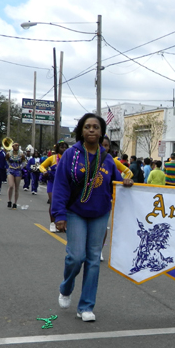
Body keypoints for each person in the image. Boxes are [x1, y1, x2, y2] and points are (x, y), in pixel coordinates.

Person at [52, 113, 133, 322]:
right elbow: (61, 185)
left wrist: (125, 182)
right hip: (75, 212)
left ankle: (86, 306)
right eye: (87, 126)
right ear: (81, 130)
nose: (91, 130)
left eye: (95, 127)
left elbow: (115, 184)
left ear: (101, 132)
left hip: (100, 214)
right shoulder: (71, 155)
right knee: (76, 257)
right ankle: (66, 287)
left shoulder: (107, 159)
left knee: (94, 260)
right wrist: (59, 215)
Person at [39, 141, 69, 232]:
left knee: (66, 204)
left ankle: (64, 223)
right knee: (53, 202)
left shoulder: (70, 158)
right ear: (57, 148)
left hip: (65, 184)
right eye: (61, 147)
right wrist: (44, 171)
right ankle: (52, 223)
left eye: (65, 148)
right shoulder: (52, 158)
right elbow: (41, 166)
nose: (63, 149)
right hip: (53, 183)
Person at [5, 142, 26, 209]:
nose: (17, 146)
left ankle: (15, 202)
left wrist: (20, 167)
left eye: (18, 145)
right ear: (13, 146)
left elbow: (24, 162)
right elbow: (7, 161)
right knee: (11, 186)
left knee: (16, 188)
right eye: (15, 145)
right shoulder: (9, 154)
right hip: (11, 170)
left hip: (18, 170)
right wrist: (8, 167)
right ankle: (9, 200)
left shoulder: (21, 154)